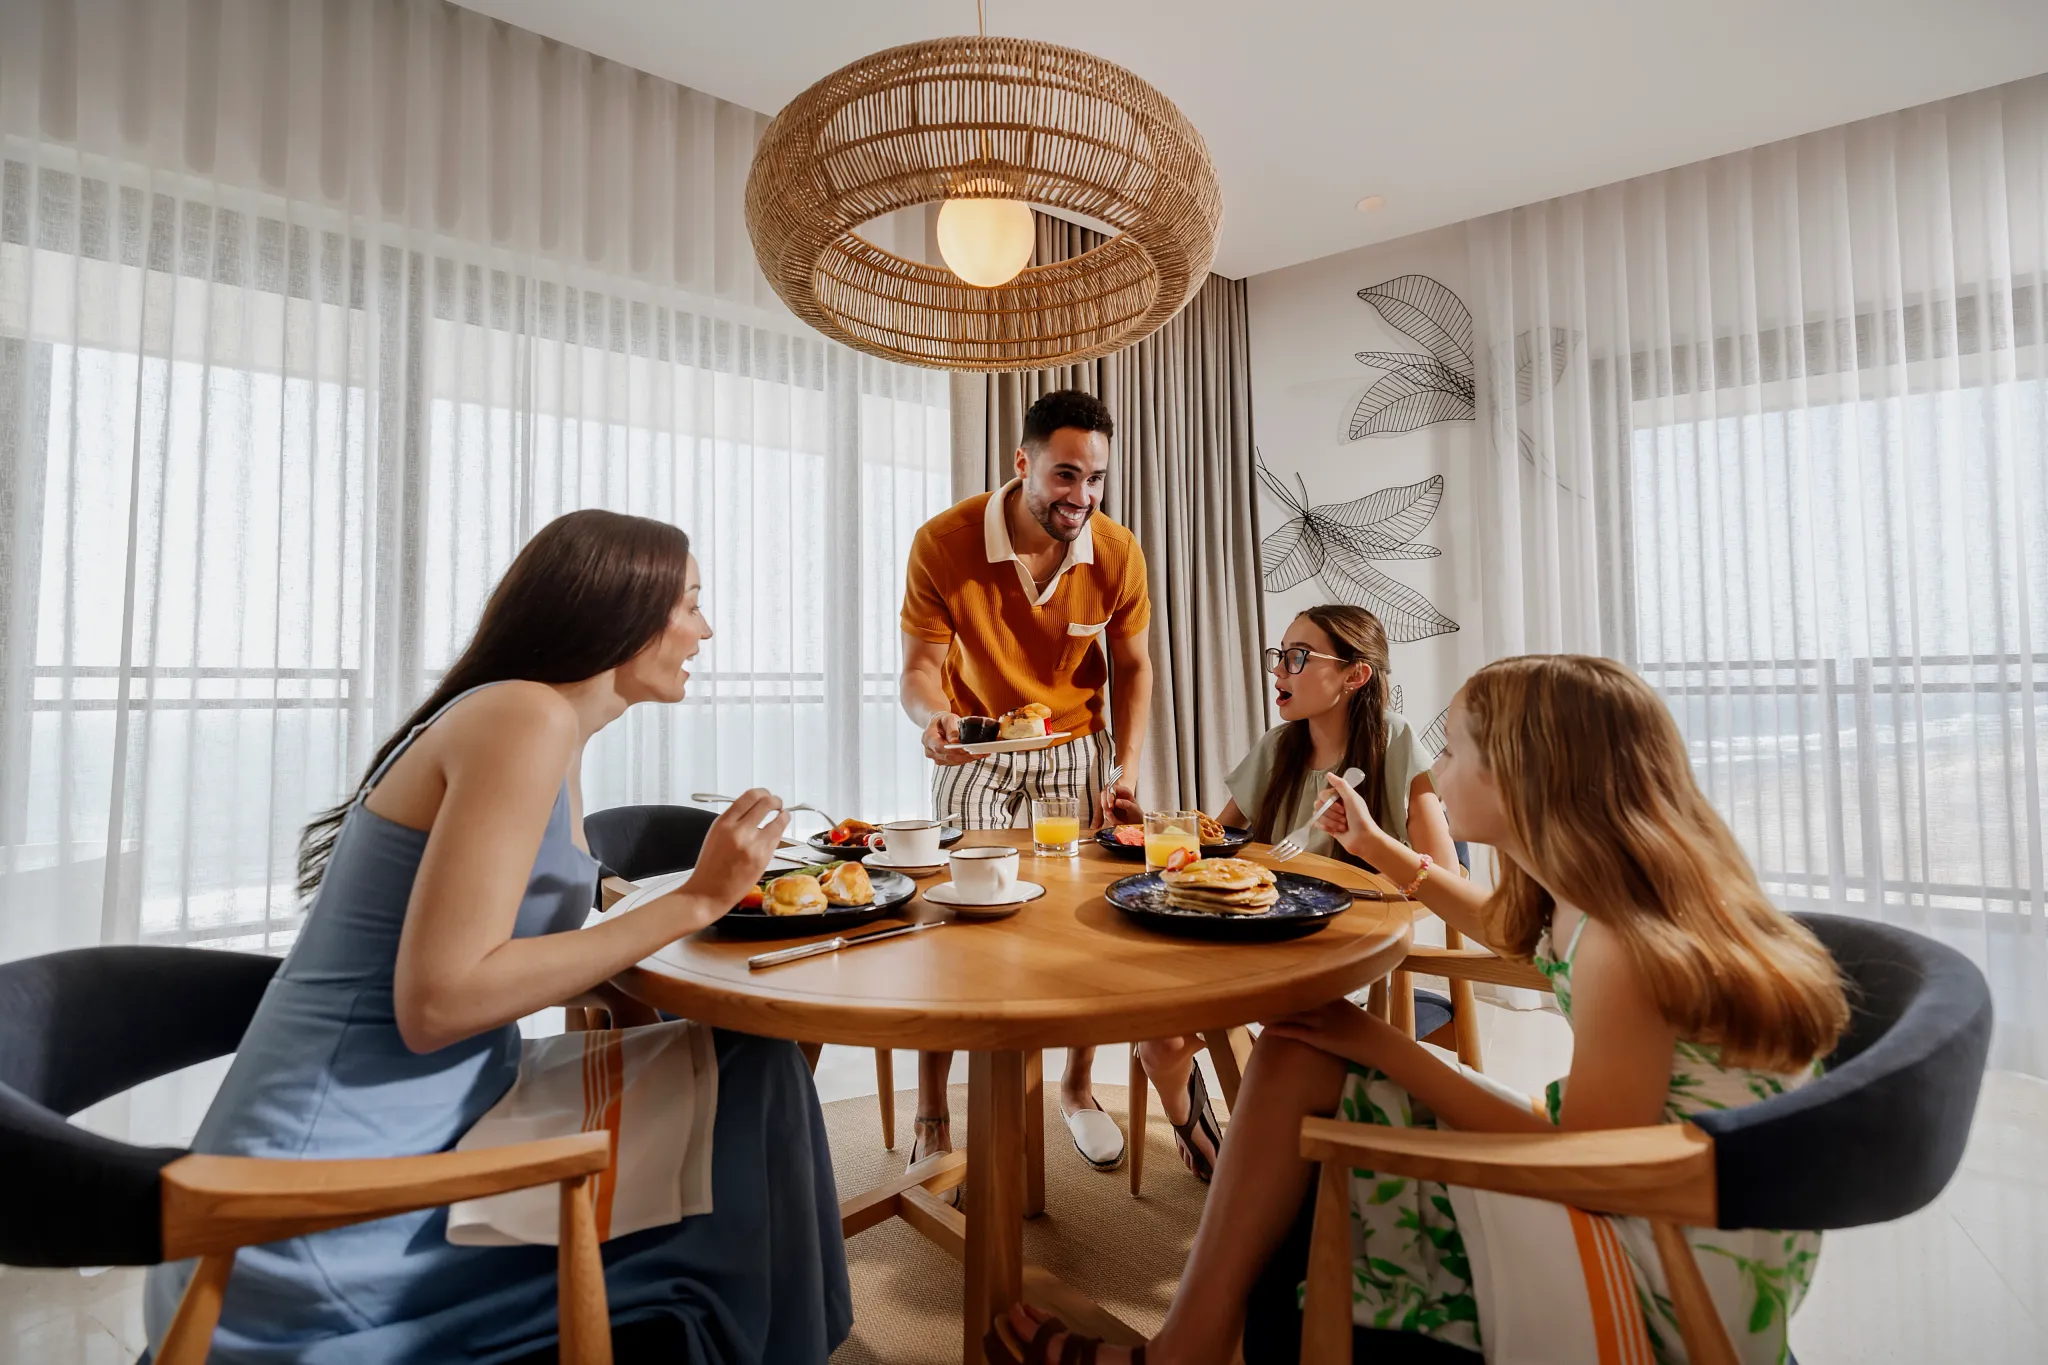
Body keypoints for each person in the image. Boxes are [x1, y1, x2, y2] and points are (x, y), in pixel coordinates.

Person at [987, 654, 1849, 1365]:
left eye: (1460, 751)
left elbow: (1585, 1163)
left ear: (1530, 776)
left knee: (1314, 1058)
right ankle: (1199, 1339)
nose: (1435, 772)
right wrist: (1372, 844)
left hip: (1666, 1259)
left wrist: (1389, 1047)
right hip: (1673, 1193)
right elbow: (1495, 919)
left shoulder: (1625, 944)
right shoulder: (1597, 898)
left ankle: (1188, 1348)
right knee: (1297, 1052)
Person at [142, 510, 852, 1365]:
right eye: (693, 602)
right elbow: (440, 1002)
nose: (706, 627)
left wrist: (647, 933)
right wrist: (696, 901)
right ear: (622, 610)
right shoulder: (525, 718)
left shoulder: (551, 727)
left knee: (754, 1064)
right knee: (724, 1170)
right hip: (310, 1212)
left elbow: (496, 951)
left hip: (433, 1105)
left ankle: (788, 1342)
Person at [898, 388, 1152, 1177]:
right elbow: (916, 669)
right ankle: (933, 1113)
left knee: (1082, 924)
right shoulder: (944, 542)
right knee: (954, 925)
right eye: (1065, 476)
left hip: (1077, 746)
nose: (1081, 497)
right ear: (1023, 463)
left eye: (1096, 479)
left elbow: (1134, 664)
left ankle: (1078, 1087)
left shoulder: (1116, 551)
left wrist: (1127, 768)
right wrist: (932, 717)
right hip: (977, 746)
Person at [1131, 604, 1458, 1184]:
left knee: (1256, 1049)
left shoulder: (1396, 742)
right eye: (1279, 655)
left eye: (1298, 657)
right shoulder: (1279, 747)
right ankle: (1207, 1140)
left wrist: (1372, 842)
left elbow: (1446, 883)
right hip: (1257, 943)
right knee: (1156, 1035)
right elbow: (1217, 843)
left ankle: (1271, 1169)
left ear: (1355, 676)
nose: (1278, 670)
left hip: (1347, 959)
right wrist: (1155, 828)